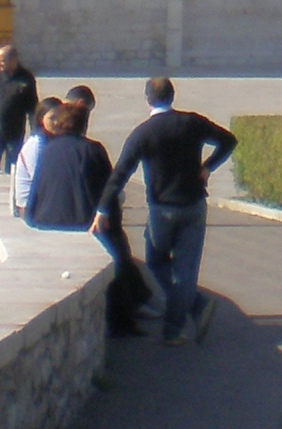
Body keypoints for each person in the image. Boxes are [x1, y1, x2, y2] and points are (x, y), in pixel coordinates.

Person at [95, 77, 237, 347]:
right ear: (172, 96)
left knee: (157, 262)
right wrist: (208, 166)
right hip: (194, 204)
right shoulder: (192, 122)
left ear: (148, 99)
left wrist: (103, 207)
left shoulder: (143, 133)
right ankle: (179, 324)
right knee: (186, 269)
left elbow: (121, 173)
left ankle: (193, 308)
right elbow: (228, 140)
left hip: (161, 208)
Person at [26, 99, 113, 229]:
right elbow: (108, 190)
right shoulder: (92, 149)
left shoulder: (47, 149)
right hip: (80, 222)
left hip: (44, 220)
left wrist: (30, 217)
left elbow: (37, 189)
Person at [0, 43, 39, 172]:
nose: (0, 63)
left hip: (15, 133)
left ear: (13, 59)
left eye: (3, 60)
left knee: (13, 169)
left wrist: (34, 131)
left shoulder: (26, 78)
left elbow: (32, 107)